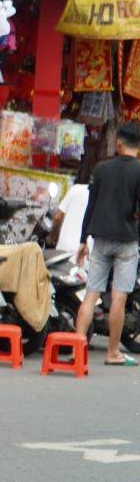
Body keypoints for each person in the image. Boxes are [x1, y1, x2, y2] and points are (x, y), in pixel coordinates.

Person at [73, 121, 140, 368]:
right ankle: (113, 352)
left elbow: (90, 207)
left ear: (119, 142)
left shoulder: (101, 170)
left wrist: (83, 240)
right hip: (127, 241)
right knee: (119, 297)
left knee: (91, 294)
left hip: (100, 239)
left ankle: (78, 347)